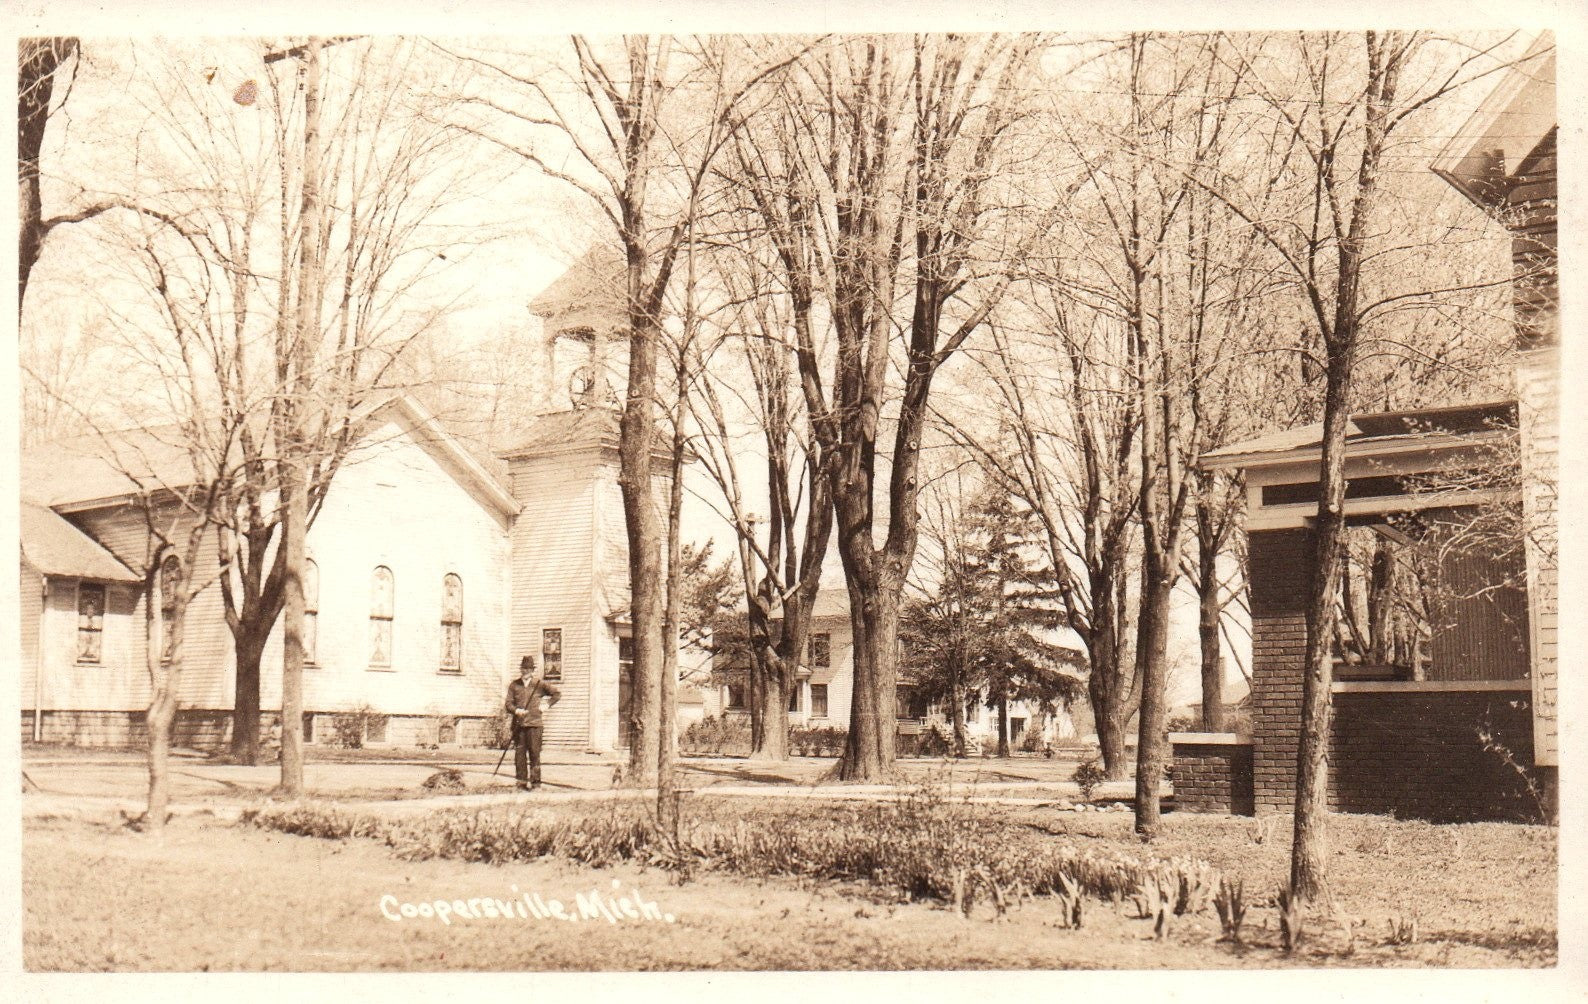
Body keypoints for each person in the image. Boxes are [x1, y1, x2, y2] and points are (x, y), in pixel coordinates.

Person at [506, 655, 560, 791]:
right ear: (521, 669)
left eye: (528, 669)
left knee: (535, 754)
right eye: (524, 668)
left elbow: (556, 694)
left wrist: (545, 706)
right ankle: (521, 783)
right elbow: (508, 704)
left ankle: (536, 784)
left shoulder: (539, 684)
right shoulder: (514, 685)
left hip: (535, 725)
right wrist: (516, 710)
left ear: (532, 670)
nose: (526, 671)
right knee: (519, 755)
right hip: (519, 725)